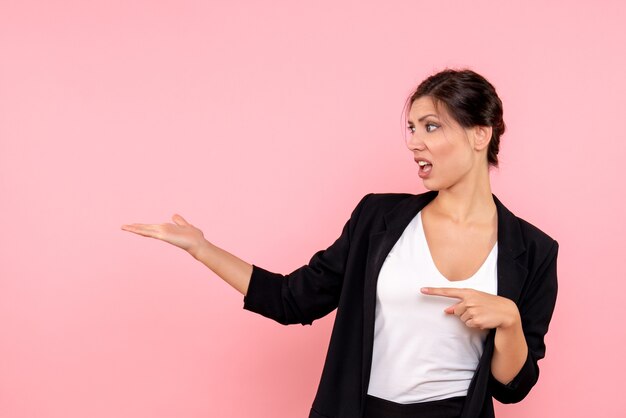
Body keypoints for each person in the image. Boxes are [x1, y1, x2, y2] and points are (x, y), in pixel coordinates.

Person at [121, 68, 559, 418]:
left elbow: (512, 388)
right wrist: (202, 248)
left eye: (431, 127)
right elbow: (293, 300)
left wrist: (510, 322)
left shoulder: (534, 251)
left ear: (480, 134)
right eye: (410, 128)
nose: (413, 142)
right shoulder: (378, 219)